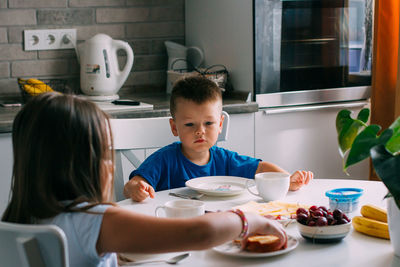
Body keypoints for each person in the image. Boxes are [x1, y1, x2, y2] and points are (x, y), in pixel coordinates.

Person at [2, 92, 288, 267]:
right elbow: (198, 233)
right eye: (104, 154)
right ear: (85, 166)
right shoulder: (94, 221)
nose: (110, 165)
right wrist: (248, 220)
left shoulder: (20, 217)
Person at [124, 75, 313, 202]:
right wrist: (137, 189)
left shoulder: (225, 160)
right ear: (174, 127)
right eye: (190, 124)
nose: (200, 131)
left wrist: (287, 179)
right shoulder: (164, 160)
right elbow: (131, 185)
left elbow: (262, 168)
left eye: (209, 123)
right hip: (175, 231)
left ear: (220, 124)